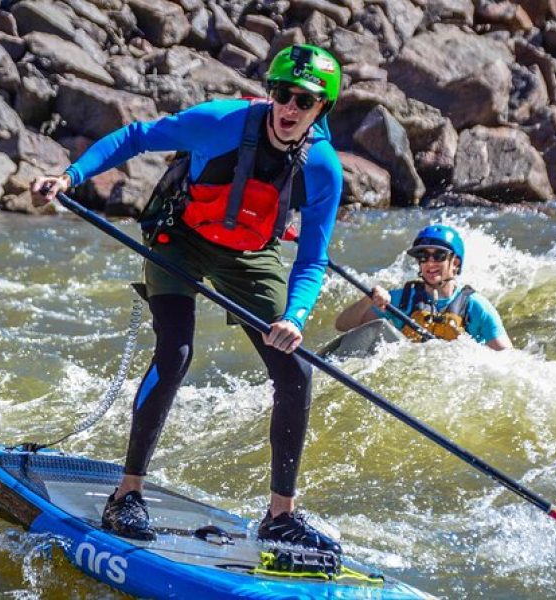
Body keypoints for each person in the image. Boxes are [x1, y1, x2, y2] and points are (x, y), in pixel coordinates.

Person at [31, 45, 344, 553]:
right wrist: (71, 176)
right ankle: (127, 494)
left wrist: (295, 316)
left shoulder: (324, 169)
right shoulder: (219, 121)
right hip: (180, 238)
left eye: (304, 102)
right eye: (284, 95)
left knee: (295, 369)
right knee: (175, 353)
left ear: (321, 110)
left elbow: (312, 258)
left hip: (249, 253)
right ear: (271, 93)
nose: (290, 109)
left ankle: (279, 516)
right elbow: (137, 137)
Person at [334, 224, 513, 350]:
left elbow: (506, 357)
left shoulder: (476, 306)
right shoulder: (401, 299)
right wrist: (368, 299)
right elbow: (343, 325)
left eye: (439, 256)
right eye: (423, 256)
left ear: (455, 263)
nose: (429, 263)